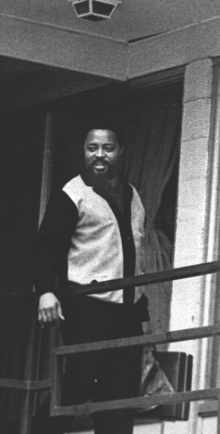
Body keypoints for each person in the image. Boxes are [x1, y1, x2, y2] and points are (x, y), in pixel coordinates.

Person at [31, 124, 148, 434]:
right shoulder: (72, 194)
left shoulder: (133, 194)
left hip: (128, 309)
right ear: (84, 151)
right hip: (88, 306)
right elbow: (46, 247)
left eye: (107, 148)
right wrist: (46, 291)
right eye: (91, 147)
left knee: (120, 394)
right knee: (80, 381)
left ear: (120, 150)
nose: (99, 154)